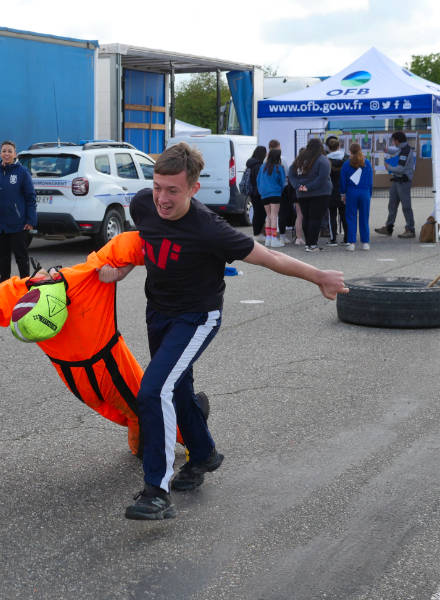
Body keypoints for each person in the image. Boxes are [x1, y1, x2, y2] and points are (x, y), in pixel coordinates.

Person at [119, 142, 347, 520]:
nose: (161, 197)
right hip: (157, 313)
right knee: (177, 389)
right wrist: (123, 267)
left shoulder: (210, 229)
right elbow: (142, 243)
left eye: (172, 190)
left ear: (193, 188)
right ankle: (205, 455)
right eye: (158, 186)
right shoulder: (144, 203)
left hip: (196, 317)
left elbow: (269, 257)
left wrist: (317, 275)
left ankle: (155, 491)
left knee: (155, 388)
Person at [0, 231, 210, 457]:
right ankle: (165, 433)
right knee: (126, 411)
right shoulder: (40, 288)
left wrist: (187, 255)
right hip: (82, 373)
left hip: (105, 365)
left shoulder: (77, 278)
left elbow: (139, 243)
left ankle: (193, 440)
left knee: (141, 408)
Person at [0, 140, 36, 285]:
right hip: (0, 225)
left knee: (21, 258)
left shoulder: (22, 173)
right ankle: (4, 288)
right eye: (4, 151)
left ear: (15, 154)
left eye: (9, 151)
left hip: (18, 224)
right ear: (0, 153)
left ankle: (26, 286)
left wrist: (30, 220)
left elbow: (30, 198)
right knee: (4, 259)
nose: (6, 154)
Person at [288, 139, 332, 252]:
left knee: (306, 218)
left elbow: (291, 174)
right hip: (320, 193)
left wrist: (298, 186)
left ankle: (308, 244)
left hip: (302, 194)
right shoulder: (322, 160)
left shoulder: (300, 159)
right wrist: (309, 187)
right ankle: (312, 244)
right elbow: (322, 178)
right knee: (315, 219)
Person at [375, 131, 416, 238]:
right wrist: (386, 149)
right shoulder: (402, 148)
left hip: (403, 182)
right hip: (397, 181)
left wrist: (388, 168)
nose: (393, 143)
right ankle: (388, 227)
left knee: (406, 206)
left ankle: (410, 229)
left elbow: (401, 169)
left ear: (397, 141)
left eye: (393, 140)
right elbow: (396, 150)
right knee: (392, 205)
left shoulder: (406, 151)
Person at [340, 142, 373, 251]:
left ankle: (351, 243)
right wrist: (370, 194)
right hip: (365, 192)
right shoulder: (367, 163)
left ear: (350, 151)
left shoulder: (346, 164)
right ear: (360, 150)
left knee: (351, 218)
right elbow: (370, 181)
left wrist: (343, 193)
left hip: (351, 192)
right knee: (364, 218)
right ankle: (365, 243)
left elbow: (343, 181)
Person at [256, 148, 286, 247]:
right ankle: (274, 239)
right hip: (275, 193)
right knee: (274, 216)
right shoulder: (279, 167)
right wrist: (280, 190)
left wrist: (261, 191)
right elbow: (282, 181)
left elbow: (258, 180)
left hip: (264, 194)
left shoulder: (262, 167)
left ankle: (268, 239)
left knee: (268, 216)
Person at [326, 136, 347, 247]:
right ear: (339, 146)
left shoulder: (326, 160)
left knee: (332, 216)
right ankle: (347, 239)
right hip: (344, 190)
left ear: (328, 148)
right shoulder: (346, 158)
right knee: (344, 215)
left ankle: (333, 239)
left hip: (331, 191)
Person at [245, 145, 267, 241]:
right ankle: (258, 233)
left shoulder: (250, 163)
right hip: (258, 192)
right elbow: (260, 180)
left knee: (257, 212)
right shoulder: (259, 166)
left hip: (252, 192)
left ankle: (257, 233)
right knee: (260, 213)